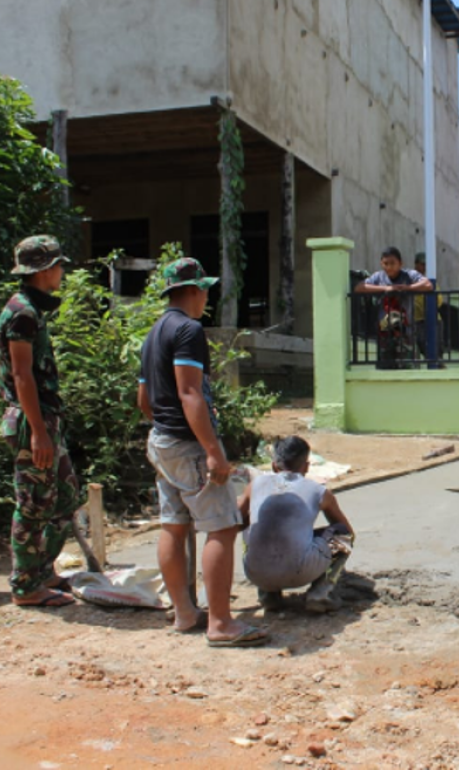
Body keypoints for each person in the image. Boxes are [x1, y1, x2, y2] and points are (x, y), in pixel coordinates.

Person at [138, 257, 268, 647]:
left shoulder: (154, 332)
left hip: (162, 442)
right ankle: (221, 623)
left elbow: (144, 398)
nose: (207, 296)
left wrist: (165, 428)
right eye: (205, 288)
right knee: (222, 527)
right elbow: (189, 392)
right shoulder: (188, 330)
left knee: (173, 525)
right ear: (193, 290)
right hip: (188, 444)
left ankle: (184, 613)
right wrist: (213, 452)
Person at [0, 236, 82, 606]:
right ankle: (26, 586)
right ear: (44, 270)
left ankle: (43, 570)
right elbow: (22, 376)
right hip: (32, 422)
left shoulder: (33, 309)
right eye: (59, 266)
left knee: (64, 496)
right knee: (33, 503)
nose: (62, 273)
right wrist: (37, 432)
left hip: (46, 419)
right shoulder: (22, 313)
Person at [237, 436, 355, 614]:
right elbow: (345, 531)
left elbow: (236, 521)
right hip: (300, 572)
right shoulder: (319, 491)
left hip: (256, 573)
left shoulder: (255, 485)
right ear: (306, 466)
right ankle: (321, 593)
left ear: (274, 466)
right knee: (342, 535)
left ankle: (268, 594)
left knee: (250, 526)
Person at [353, 247, 432, 368]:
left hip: (406, 334)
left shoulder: (409, 275)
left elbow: (428, 285)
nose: (389, 267)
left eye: (393, 263)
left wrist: (407, 288)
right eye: (385, 264)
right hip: (385, 334)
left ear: (400, 264)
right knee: (385, 371)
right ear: (381, 263)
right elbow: (359, 287)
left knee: (408, 370)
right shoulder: (378, 277)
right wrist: (385, 289)